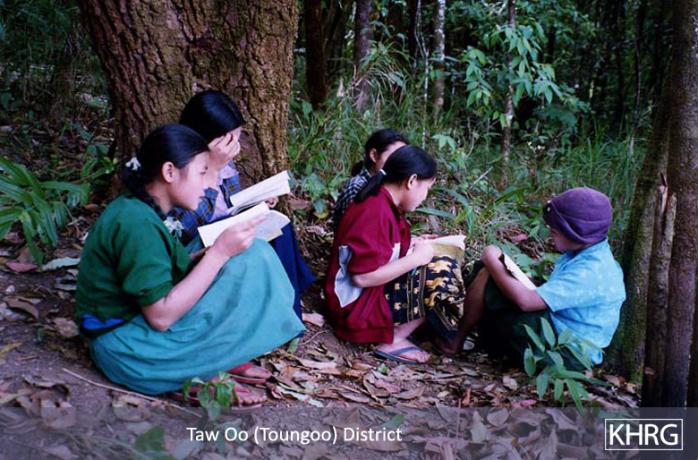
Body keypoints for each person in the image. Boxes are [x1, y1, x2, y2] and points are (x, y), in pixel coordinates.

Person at [75, 124, 305, 404]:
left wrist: (207, 257)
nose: (207, 185)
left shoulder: (141, 208)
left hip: (131, 333)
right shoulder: (137, 223)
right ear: (170, 172)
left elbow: (161, 262)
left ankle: (211, 358)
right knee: (247, 259)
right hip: (130, 351)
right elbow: (160, 317)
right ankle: (196, 369)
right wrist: (218, 254)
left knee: (251, 254)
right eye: (201, 173)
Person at [172, 90, 315, 320]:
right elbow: (187, 228)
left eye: (236, 140)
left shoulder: (226, 167)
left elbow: (229, 205)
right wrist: (213, 168)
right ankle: (284, 312)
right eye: (229, 142)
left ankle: (290, 308)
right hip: (199, 250)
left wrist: (255, 203)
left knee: (281, 227)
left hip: (224, 232)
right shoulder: (180, 170)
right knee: (261, 245)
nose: (235, 148)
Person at [445, 187, 626, 369]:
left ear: (575, 232)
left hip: (567, 354)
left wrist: (491, 257)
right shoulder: (587, 255)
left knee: (489, 275)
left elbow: (527, 302)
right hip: (558, 334)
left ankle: (455, 342)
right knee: (488, 272)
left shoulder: (592, 270)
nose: (550, 232)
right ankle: (471, 340)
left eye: (555, 230)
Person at [324, 145, 466, 364]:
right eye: (426, 189)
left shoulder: (383, 201)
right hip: (354, 307)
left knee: (440, 263)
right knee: (442, 273)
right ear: (411, 181)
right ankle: (394, 339)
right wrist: (416, 258)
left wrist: (414, 244)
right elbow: (362, 277)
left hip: (362, 296)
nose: (425, 196)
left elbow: (381, 248)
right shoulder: (375, 209)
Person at [332, 129, 407, 230]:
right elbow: (361, 231)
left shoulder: (385, 189)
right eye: (394, 158)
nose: (400, 164)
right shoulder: (357, 187)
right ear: (374, 155)